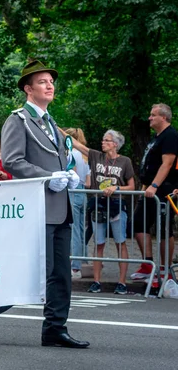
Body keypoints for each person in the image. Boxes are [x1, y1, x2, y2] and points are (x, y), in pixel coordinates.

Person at [0, 60, 89, 349]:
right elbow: (13, 161)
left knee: (61, 274)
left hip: (59, 207)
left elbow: (59, 160)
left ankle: (55, 328)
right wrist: (47, 178)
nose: (49, 85)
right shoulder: (18, 120)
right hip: (36, 207)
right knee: (38, 271)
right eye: (42, 82)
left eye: (51, 81)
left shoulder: (51, 122)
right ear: (28, 89)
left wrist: (70, 176)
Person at [68, 130, 135, 294]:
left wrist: (117, 187)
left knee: (120, 242)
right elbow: (76, 143)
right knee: (98, 243)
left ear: (115, 144)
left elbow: (132, 186)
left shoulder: (125, 161)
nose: (103, 142)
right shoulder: (96, 156)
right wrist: (54, 125)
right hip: (99, 205)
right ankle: (96, 281)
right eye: (103, 139)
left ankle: (122, 282)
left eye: (107, 140)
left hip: (117, 205)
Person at [130, 103, 178, 286]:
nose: (149, 118)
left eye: (153, 115)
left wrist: (155, 185)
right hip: (149, 188)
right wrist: (146, 185)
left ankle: (166, 271)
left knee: (164, 229)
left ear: (163, 117)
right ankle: (148, 265)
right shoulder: (155, 138)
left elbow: (167, 164)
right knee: (138, 223)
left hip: (164, 189)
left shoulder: (171, 136)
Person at [64, 128, 91, 280]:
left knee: (73, 228)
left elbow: (71, 174)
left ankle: (75, 266)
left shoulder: (71, 154)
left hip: (72, 190)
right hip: (82, 191)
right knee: (81, 228)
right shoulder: (85, 156)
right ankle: (83, 260)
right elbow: (88, 182)